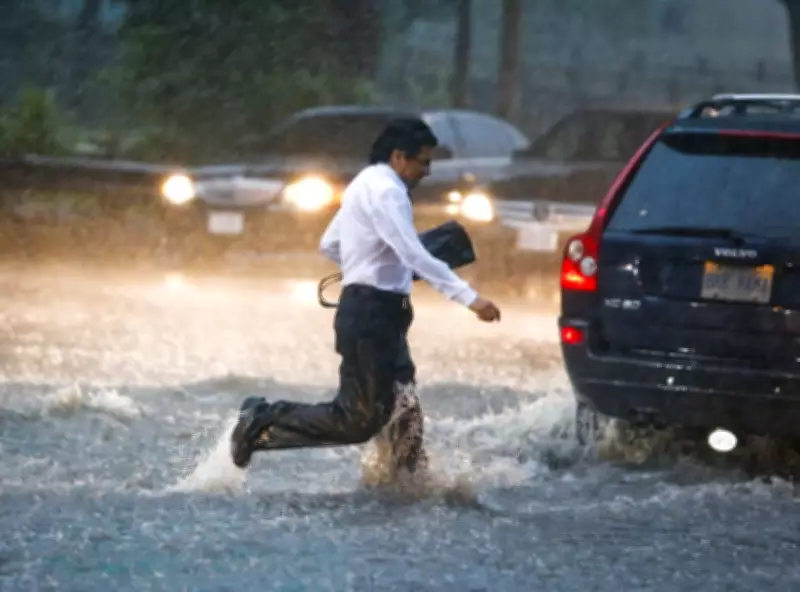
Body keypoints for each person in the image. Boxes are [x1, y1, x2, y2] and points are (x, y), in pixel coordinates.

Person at [229, 117, 501, 481]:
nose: (428, 170)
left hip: (376, 310)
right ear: (399, 157)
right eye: (423, 161)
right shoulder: (388, 191)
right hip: (372, 314)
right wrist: (470, 298)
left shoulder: (364, 183)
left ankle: (409, 484)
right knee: (357, 420)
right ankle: (263, 418)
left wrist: (363, 269)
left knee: (405, 406)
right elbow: (411, 252)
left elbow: (329, 243)